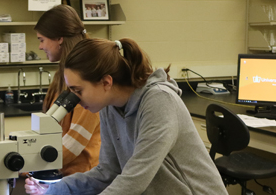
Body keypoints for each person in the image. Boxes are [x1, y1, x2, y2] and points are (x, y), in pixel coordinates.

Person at [25, 38, 228, 194]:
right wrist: (54, 190)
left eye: (78, 90)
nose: (75, 99)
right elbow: (108, 173)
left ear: (106, 82)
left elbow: (134, 179)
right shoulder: (108, 107)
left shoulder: (159, 101)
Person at [33, 4, 101, 177]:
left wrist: (32, 165)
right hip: (61, 171)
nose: (40, 47)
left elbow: (75, 141)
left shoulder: (87, 77)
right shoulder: (62, 76)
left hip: (83, 177)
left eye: (42, 40)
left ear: (59, 39)